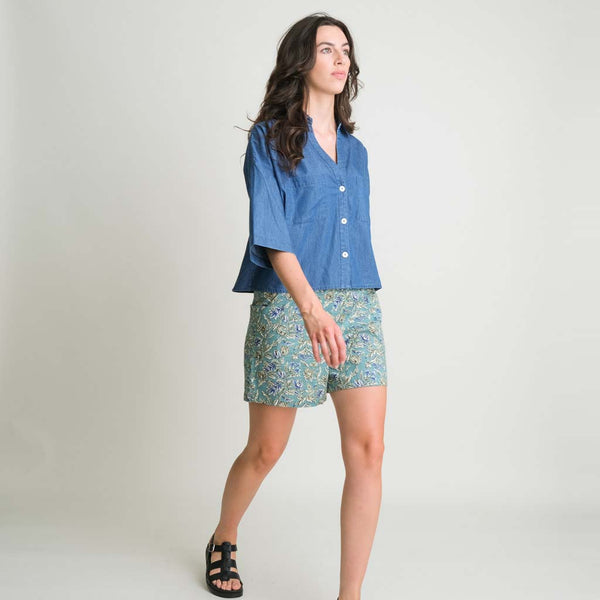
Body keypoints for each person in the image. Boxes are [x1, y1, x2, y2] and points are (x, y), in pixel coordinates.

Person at [205, 13, 387, 600]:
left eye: (346, 50)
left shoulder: (356, 152)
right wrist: (311, 307)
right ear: (301, 60)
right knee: (266, 449)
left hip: (357, 305)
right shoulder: (268, 140)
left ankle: (349, 595)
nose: (340, 59)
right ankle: (224, 536)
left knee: (369, 450)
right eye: (327, 49)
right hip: (290, 304)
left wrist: (340, 306)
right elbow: (272, 232)